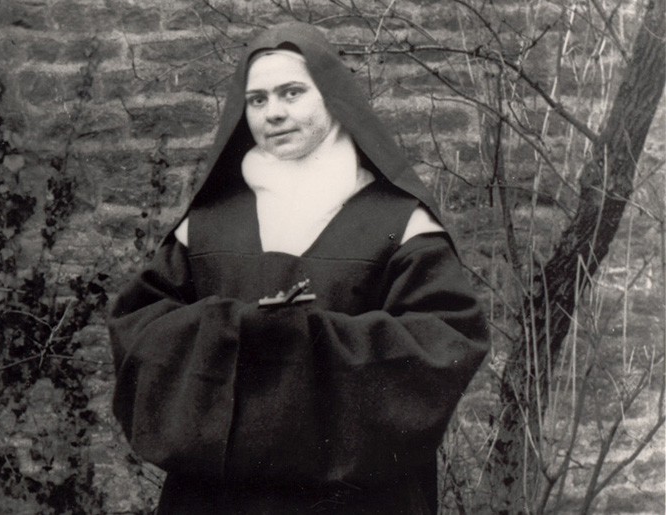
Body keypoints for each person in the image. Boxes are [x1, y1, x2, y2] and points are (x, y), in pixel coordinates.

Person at [109, 21, 489, 515]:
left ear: (331, 97)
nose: (274, 112)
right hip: (218, 501)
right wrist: (236, 331)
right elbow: (140, 330)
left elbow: (443, 344)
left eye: (292, 92)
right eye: (257, 99)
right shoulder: (206, 226)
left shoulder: (400, 225)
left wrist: (295, 340)